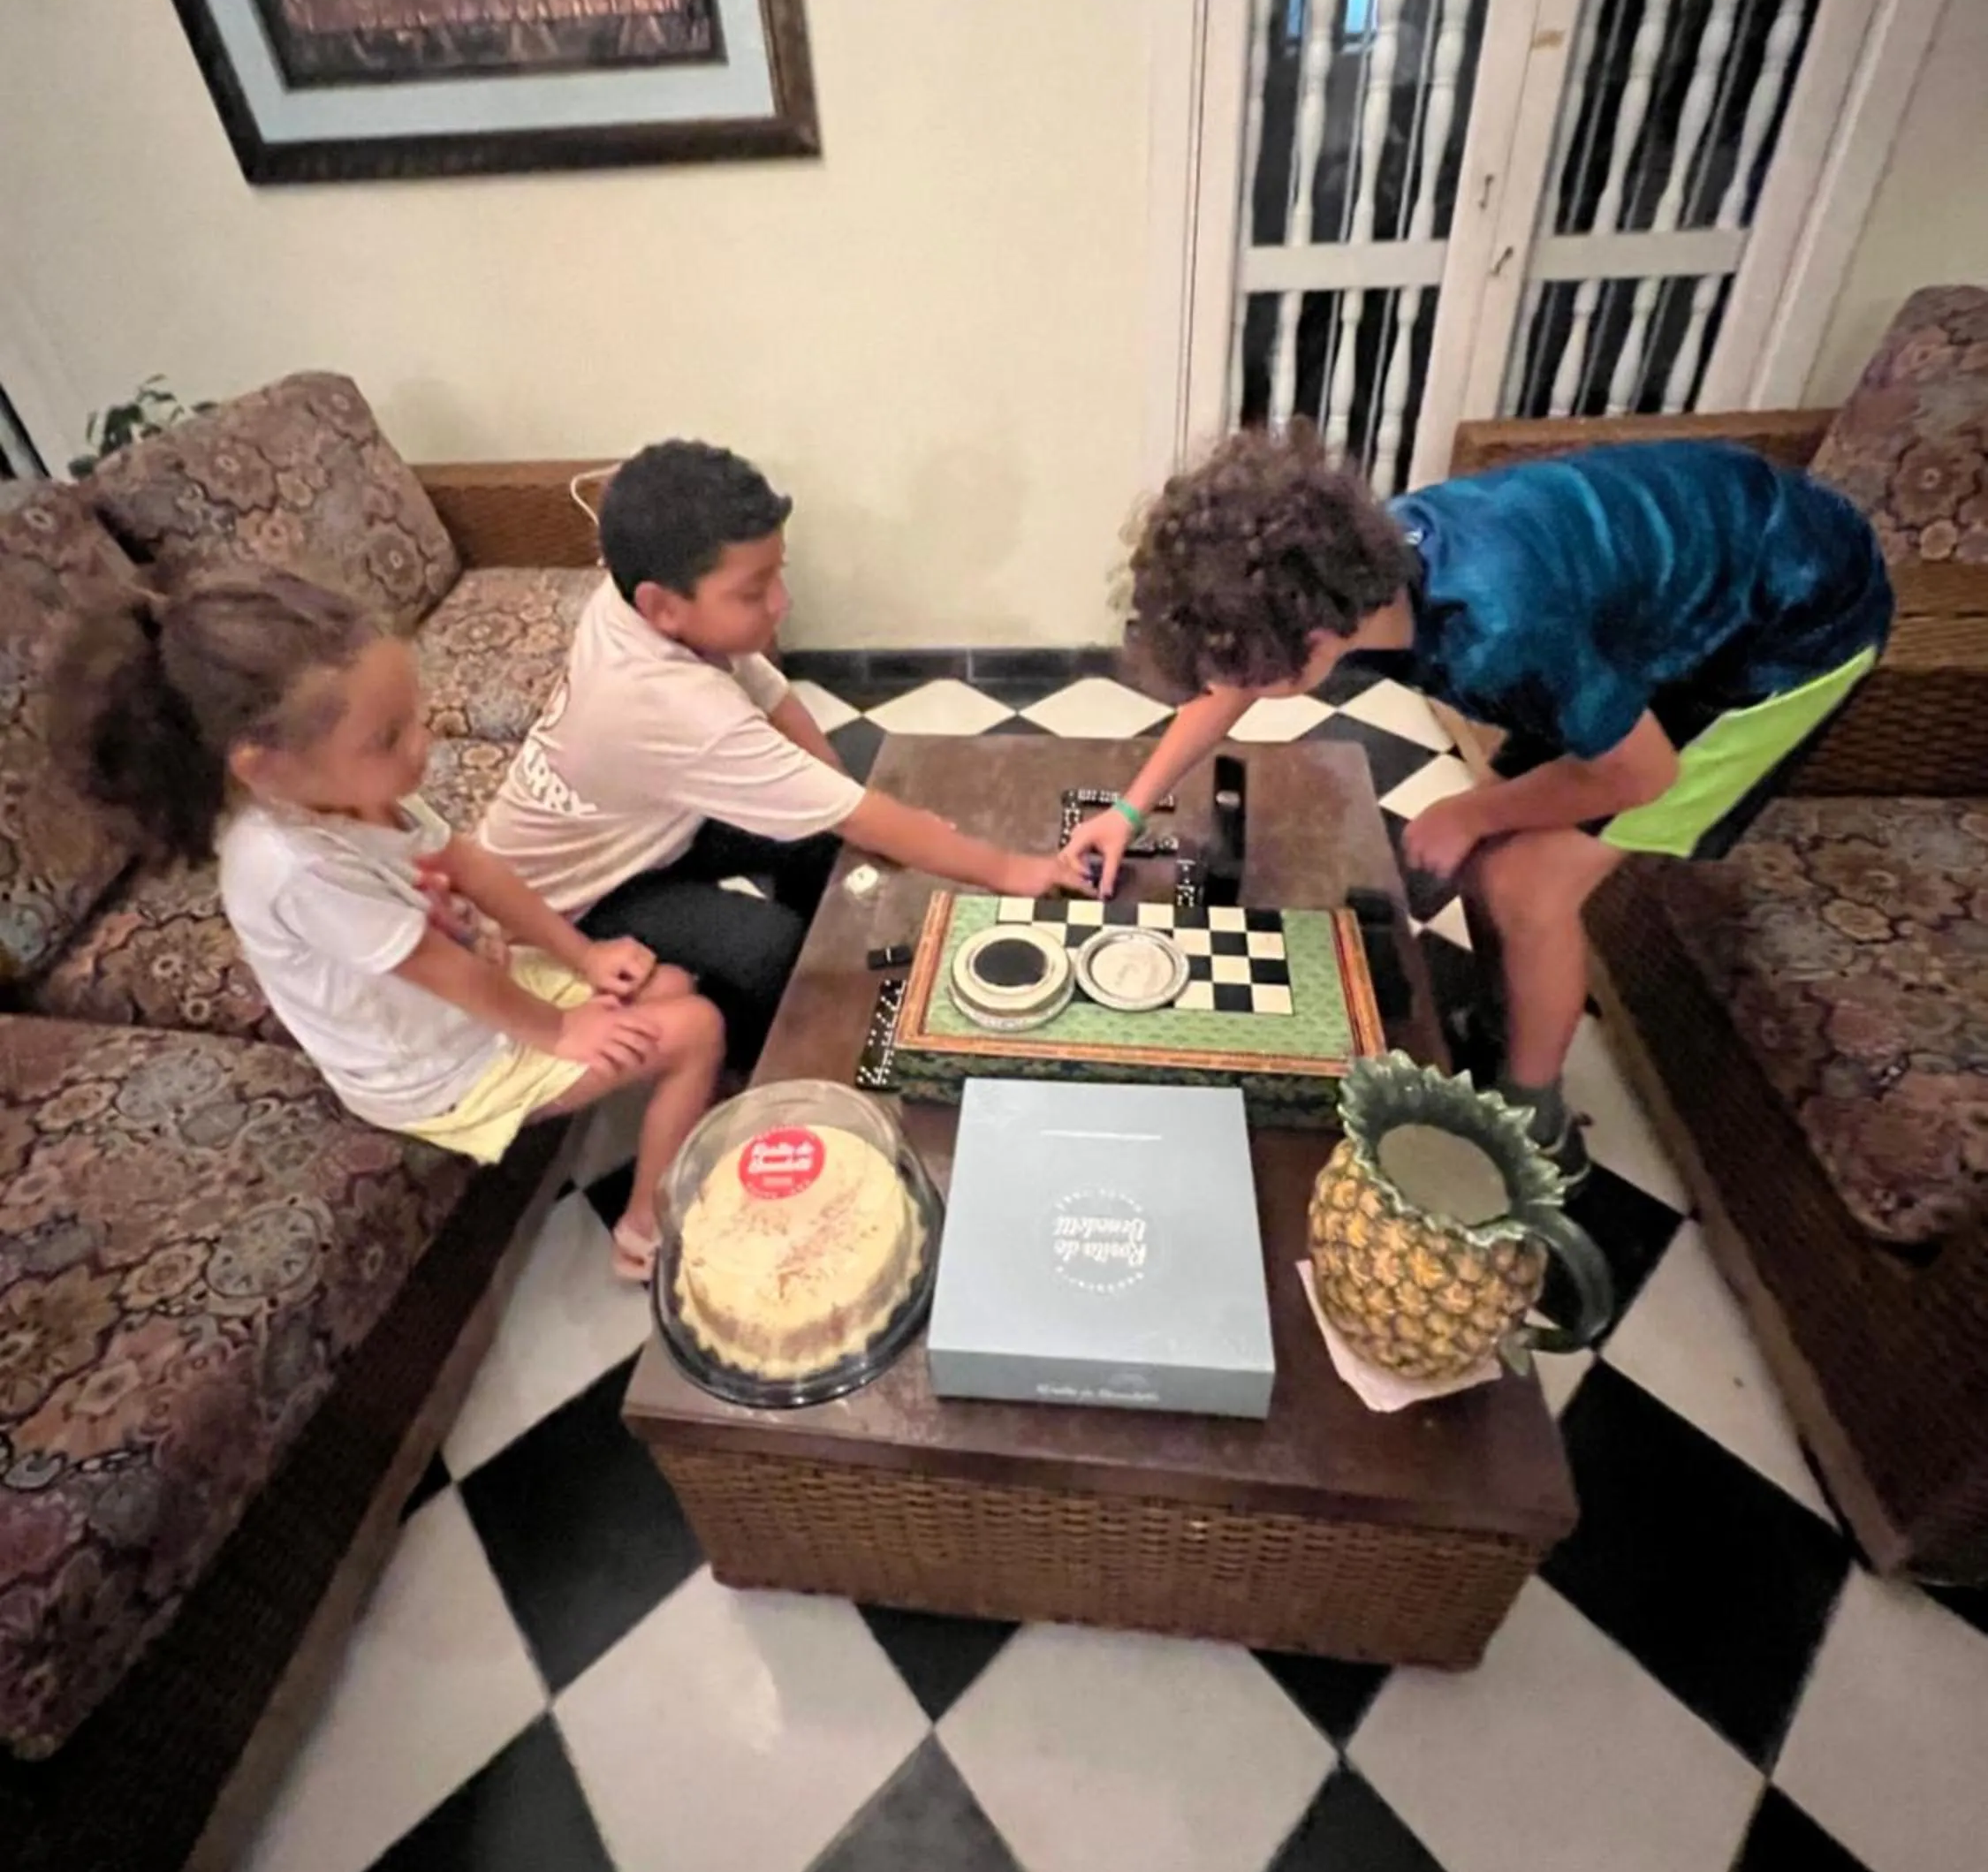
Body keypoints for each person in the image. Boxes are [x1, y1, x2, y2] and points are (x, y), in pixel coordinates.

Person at [1065, 428, 1894, 1186]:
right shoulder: (1347, 568)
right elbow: (1230, 683)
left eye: (1248, 665)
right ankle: (1511, 1014)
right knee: (1494, 858)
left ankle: (1536, 1123)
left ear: (1315, 637)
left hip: (1794, 623)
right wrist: (1132, 810)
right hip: (1697, 579)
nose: (1233, 681)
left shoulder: (1500, 633)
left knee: (1526, 886)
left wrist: (1475, 815)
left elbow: (1641, 775)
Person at [56, 571, 723, 1280]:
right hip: (436, 1067)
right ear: (265, 768)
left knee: (668, 983)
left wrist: (583, 956)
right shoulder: (289, 866)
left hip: (474, 995)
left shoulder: (353, 794)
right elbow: (445, 970)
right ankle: (644, 1234)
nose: (422, 745)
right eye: (388, 737)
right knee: (696, 1027)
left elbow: (471, 866)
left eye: (415, 715)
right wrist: (562, 1030)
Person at [477, 440, 1083, 1066]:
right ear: (664, 606)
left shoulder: (629, 600)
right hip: (573, 902)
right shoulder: (672, 708)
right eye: (753, 591)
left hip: (643, 822)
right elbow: (854, 812)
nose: (781, 603)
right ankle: (761, 1059)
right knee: (767, 946)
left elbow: (773, 699)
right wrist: (1013, 871)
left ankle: (820, 952)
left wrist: (849, 801)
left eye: (778, 573)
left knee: (828, 830)